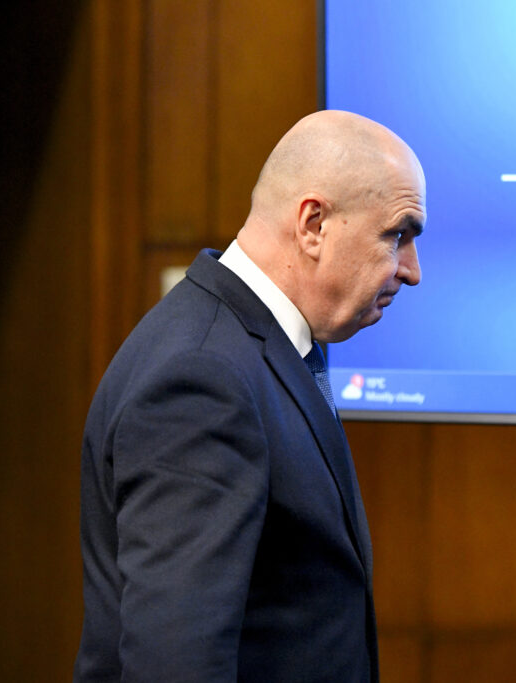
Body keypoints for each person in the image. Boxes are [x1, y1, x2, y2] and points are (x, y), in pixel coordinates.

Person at [74, 109, 425, 682]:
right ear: (313, 224)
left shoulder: (255, 349)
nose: (411, 271)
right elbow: (175, 663)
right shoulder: (201, 379)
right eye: (397, 235)